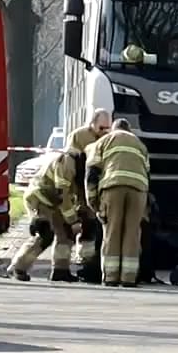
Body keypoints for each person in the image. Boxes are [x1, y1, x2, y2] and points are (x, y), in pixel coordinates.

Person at [85, 116, 151, 287]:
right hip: (138, 190)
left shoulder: (104, 141)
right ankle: (129, 277)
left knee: (112, 230)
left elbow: (92, 172)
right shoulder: (140, 144)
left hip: (113, 187)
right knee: (132, 233)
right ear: (129, 130)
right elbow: (147, 173)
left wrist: (92, 201)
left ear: (113, 128)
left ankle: (111, 277)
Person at [7, 146, 83, 282]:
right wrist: (73, 221)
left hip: (49, 200)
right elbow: (62, 194)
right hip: (40, 199)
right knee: (45, 235)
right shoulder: (67, 163)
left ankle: (61, 270)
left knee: (63, 234)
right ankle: (18, 267)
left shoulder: (74, 162)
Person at [67, 109, 112, 281]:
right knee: (85, 222)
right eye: (101, 127)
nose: (104, 132)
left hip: (99, 185)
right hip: (81, 184)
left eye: (108, 128)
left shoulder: (108, 137)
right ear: (92, 123)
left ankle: (92, 260)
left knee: (95, 224)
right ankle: (83, 259)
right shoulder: (79, 136)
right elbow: (71, 162)